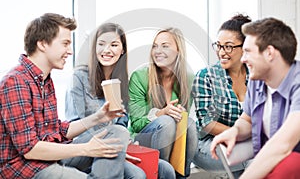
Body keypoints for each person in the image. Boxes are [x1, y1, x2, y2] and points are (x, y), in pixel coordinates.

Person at [0, 13, 130, 179]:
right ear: (42, 44)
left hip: (51, 157)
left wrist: (98, 117)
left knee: (118, 133)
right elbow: (30, 149)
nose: (70, 51)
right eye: (65, 44)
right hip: (26, 167)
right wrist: (86, 148)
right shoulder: (15, 82)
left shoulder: (45, 80)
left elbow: (58, 130)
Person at [65, 22, 174, 179]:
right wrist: (117, 147)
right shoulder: (80, 77)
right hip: (87, 146)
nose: (107, 50)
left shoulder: (122, 81)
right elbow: (75, 127)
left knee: (166, 169)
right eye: (101, 44)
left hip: (117, 143)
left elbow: (122, 124)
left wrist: (124, 146)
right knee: (137, 175)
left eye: (114, 45)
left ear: (122, 49)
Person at [210, 17, 300, 178]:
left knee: (291, 163)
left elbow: (283, 145)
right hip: (276, 162)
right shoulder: (257, 80)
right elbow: (247, 120)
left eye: (248, 52)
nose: (243, 59)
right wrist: (235, 131)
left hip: (289, 164)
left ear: (269, 53)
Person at [128, 27, 198, 179]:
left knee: (190, 125)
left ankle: (181, 177)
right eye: (155, 46)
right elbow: (135, 124)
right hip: (141, 138)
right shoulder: (139, 77)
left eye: (165, 46)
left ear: (178, 51)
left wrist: (178, 113)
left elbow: (182, 123)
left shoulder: (188, 79)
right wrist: (161, 113)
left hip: (172, 140)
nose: (157, 51)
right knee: (166, 122)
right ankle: (162, 174)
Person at [192, 14, 251, 177]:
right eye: (218, 45)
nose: (221, 52)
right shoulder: (206, 76)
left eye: (229, 46)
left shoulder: (255, 76)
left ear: (245, 47)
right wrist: (241, 135)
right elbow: (207, 124)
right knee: (257, 153)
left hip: (245, 145)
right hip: (208, 146)